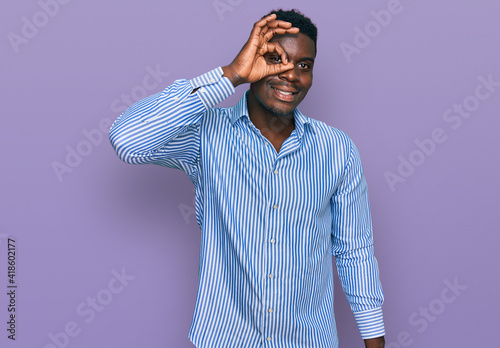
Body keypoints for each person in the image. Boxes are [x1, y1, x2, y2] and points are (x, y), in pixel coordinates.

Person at [109, 9, 385, 348]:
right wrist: (230, 75)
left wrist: (374, 340)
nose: (290, 75)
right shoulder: (206, 134)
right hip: (225, 339)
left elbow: (354, 250)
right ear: (255, 60)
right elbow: (127, 140)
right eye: (275, 59)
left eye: (304, 65)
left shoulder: (337, 150)